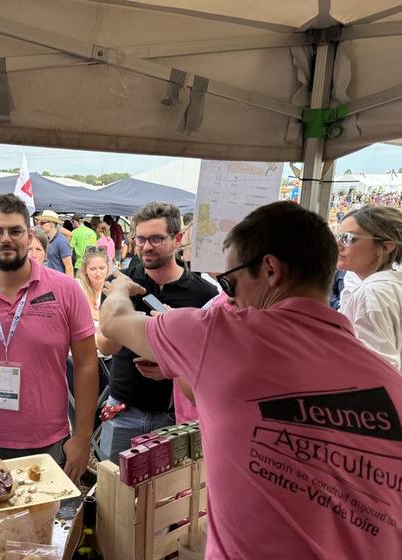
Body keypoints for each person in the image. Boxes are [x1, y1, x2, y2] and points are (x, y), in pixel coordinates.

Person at [99, 201, 402, 559]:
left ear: (270, 270)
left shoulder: (222, 336)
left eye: (230, 282)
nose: (230, 297)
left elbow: (113, 322)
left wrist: (119, 289)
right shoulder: (390, 382)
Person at [0, 194, 98, 521]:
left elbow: (87, 364)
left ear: (30, 236)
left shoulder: (65, 290)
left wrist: (83, 437)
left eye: (15, 231)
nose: (6, 239)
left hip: (48, 443)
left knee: (46, 539)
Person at [96, 202, 217, 463]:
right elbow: (105, 347)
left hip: (176, 417)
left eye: (155, 238)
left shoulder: (204, 293)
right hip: (123, 408)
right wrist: (124, 308)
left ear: (177, 238)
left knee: (170, 501)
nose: (146, 246)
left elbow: (213, 363)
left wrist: (173, 366)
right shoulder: (121, 281)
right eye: (140, 238)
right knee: (115, 495)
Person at [337, 205, 402, 370]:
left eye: (349, 238)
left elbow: (380, 369)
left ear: (386, 247)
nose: (338, 245)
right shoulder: (389, 286)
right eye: (338, 237)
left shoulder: (371, 293)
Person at [77, 246, 109, 323]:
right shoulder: (77, 286)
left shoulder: (113, 288)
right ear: (85, 270)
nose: (98, 273)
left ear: (108, 268)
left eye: (102, 268)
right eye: (93, 269)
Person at [38, 209, 73, 276]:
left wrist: (67, 286)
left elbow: (69, 267)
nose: (40, 225)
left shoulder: (61, 241)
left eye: (42, 223)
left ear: (51, 224)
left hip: (59, 281)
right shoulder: (48, 239)